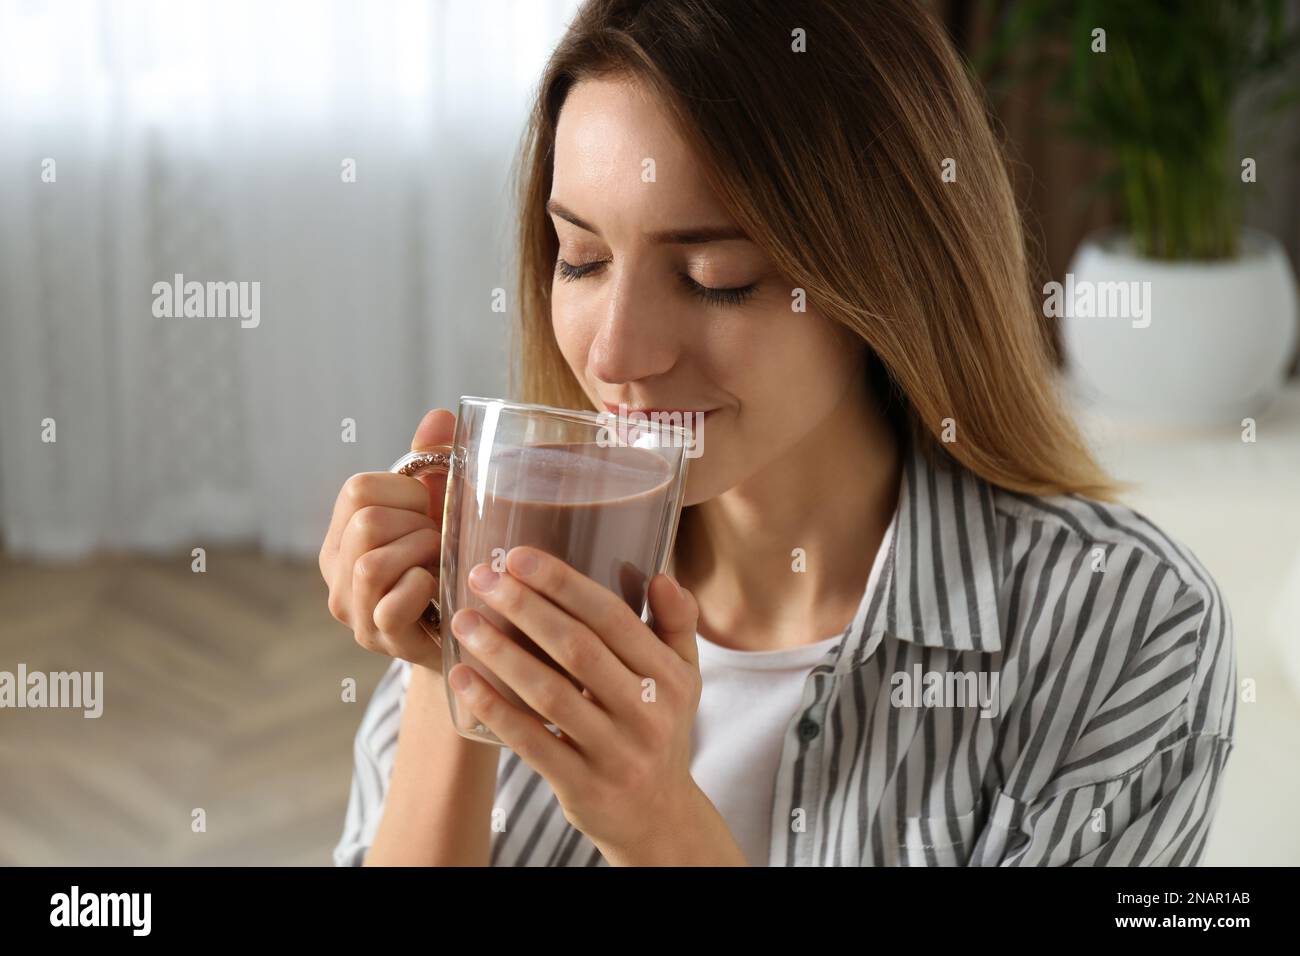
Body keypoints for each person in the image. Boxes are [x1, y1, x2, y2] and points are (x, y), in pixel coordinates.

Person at [320, 0, 1235, 866]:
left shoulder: (1128, 628)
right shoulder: (516, 551)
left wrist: (661, 829)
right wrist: (455, 668)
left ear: (888, 277)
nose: (616, 354)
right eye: (582, 260)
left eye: (717, 277)